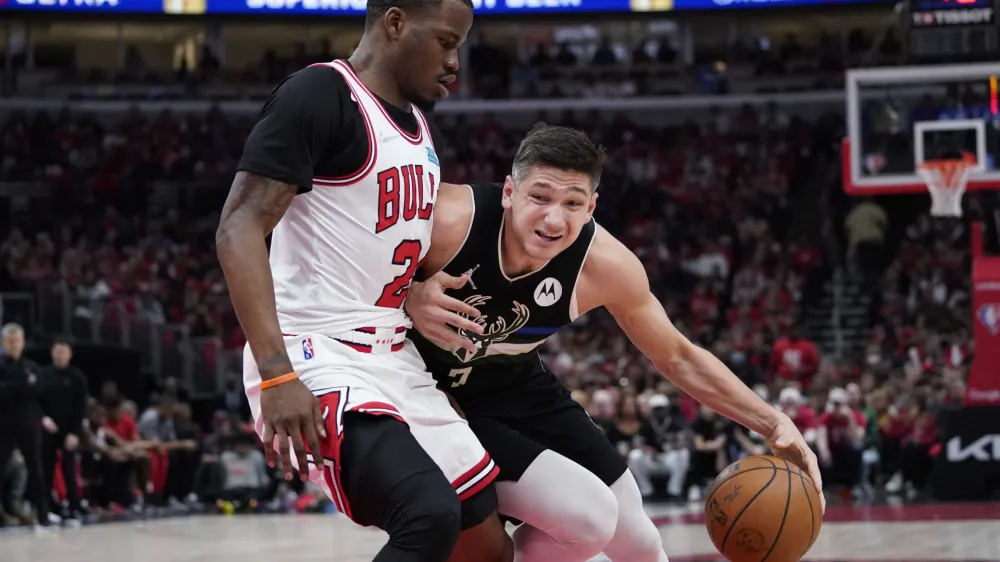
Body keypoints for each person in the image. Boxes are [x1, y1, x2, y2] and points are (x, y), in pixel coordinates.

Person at [405, 124, 825, 562]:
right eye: (540, 197)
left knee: (640, 544)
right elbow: (338, 279)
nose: (554, 219)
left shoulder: (604, 264)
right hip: (432, 395)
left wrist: (773, 423)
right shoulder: (447, 220)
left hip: (515, 383)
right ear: (510, 191)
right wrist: (406, 296)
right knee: (587, 520)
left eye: (572, 203)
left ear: (591, 207)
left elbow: (678, 356)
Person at [214, 0, 512, 560]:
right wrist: (278, 376)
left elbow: (377, 252)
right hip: (315, 349)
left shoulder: (419, 126)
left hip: (392, 356)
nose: (455, 63)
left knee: (487, 546)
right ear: (395, 23)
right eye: (447, 42)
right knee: (427, 513)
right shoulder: (321, 93)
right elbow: (238, 228)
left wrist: (417, 292)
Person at [0, 323, 54, 528]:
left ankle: (43, 515)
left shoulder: (31, 366)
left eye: (17, 341)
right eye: (10, 341)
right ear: (3, 342)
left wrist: (15, 387)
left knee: (36, 470)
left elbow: (40, 391)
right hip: (3, 426)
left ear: (23, 343)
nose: (14, 345)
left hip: (28, 425)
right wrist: (23, 384)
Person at [39, 337, 89, 523]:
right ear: (52, 352)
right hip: (48, 429)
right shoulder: (43, 374)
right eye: (57, 351)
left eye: (63, 351)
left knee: (69, 470)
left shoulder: (76, 376)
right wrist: (43, 418)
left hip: (69, 430)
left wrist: (74, 433)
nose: (60, 355)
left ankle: (74, 505)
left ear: (69, 354)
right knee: (46, 469)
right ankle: (49, 507)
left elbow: (81, 406)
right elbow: (36, 400)